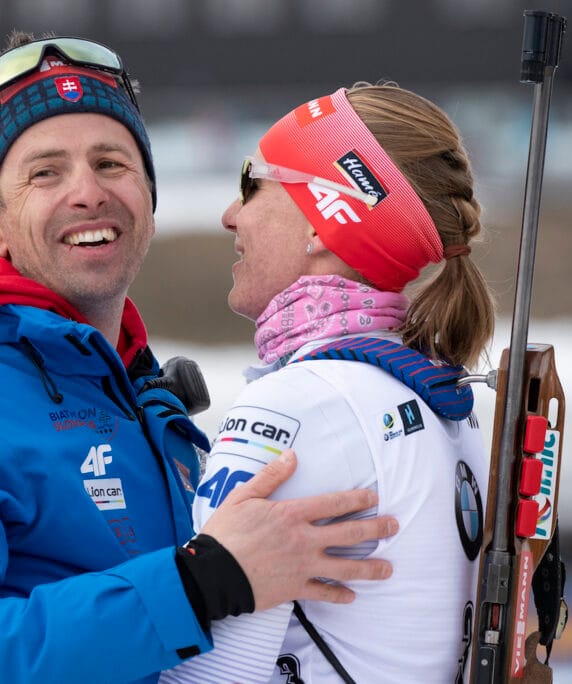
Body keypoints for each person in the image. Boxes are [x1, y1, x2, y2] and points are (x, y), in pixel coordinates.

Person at [0, 33, 398, 684]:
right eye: (45, 172)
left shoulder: (144, 402)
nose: (88, 192)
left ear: (149, 203)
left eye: (112, 163)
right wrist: (199, 582)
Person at [161, 83, 494, 683]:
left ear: (324, 221)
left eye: (252, 182)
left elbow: (212, 675)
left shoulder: (300, 403)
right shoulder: (440, 395)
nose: (230, 215)